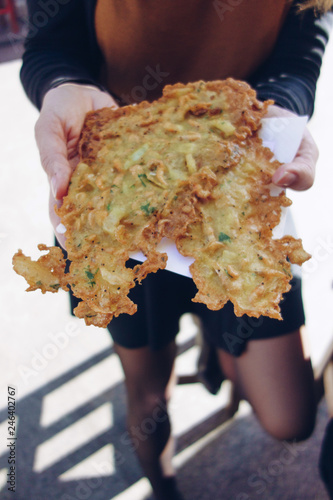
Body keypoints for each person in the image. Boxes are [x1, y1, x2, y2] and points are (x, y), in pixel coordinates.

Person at [20, 1, 333, 499]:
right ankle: (162, 483)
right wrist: (62, 83)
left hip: (241, 184)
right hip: (114, 194)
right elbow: (50, 40)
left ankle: (218, 343)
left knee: (291, 417)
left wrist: (279, 110)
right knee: (148, 388)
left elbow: (304, 43)